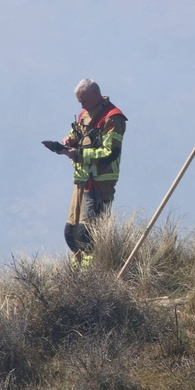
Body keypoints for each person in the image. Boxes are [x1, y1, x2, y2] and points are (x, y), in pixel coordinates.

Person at [61, 79, 127, 264]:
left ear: (96, 95)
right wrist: (70, 140)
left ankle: (91, 276)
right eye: (79, 102)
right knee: (71, 233)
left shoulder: (113, 118)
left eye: (84, 101)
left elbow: (110, 152)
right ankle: (77, 273)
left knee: (87, 234)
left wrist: (79, 155)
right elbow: (78, 133)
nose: (82, 105)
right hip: (81, 180)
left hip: (100, 183)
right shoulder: (84, 114)